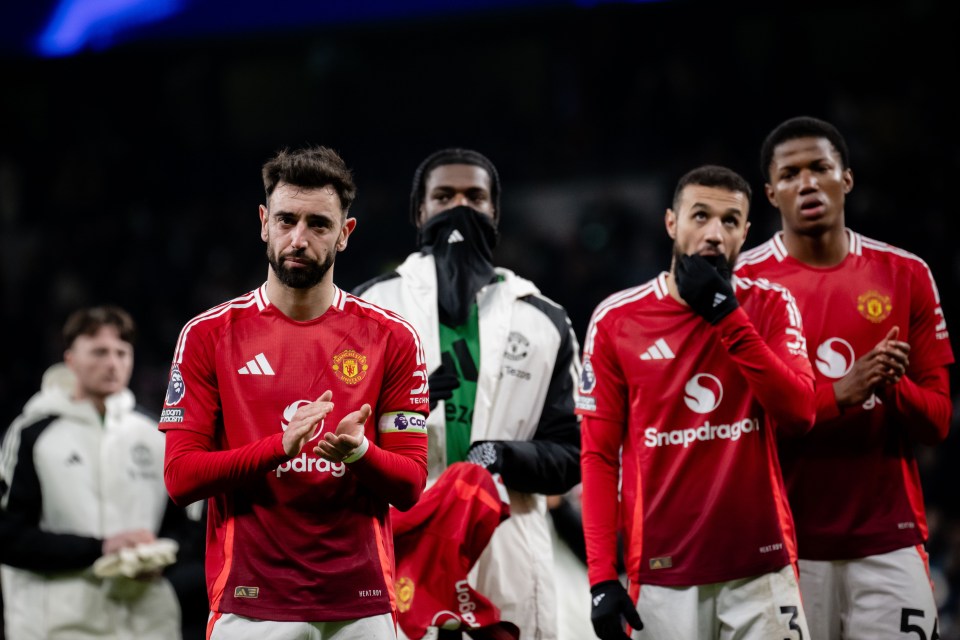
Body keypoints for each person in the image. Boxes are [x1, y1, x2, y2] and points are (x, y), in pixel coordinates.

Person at [160, 145, 430, 640]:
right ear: (264, 222)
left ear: (345, 234)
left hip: (362, 607)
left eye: (318, 224)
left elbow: (411, 485)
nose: (298, 238)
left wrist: (361, 452)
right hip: (248, 607)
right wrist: (276, 449)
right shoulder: (207, 335)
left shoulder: (392, 337)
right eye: (286, 220)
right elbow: (179, 479)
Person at [736, 116, 954, 640]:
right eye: (790, 175)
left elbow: (939, 423)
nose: (807, 183)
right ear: (771, 193)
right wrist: (841, 393)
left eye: (820, 168)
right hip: (784, 545)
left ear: (846, 179)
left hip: (889, 542)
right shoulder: (743, 285)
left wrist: (890, 386)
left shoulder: (905, 274)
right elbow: (744, 426)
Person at [578, 165, 817, 640]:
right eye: (700, 216)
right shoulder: (616, 321)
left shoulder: (770, 305)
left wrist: (726, 315)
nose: (713, 234)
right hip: (664, 576)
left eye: (730, 222)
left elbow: (800, 413)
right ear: (671, 222)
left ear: (746, 234)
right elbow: (599, 457)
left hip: (761, 571)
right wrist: (602, 576)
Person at [354, 148, 581, 640]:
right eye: (444, 196)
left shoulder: (544, 318)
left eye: (475, 197)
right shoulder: (370, 309)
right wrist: (407, 410)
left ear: (495, 212)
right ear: (420, 212)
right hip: (402, 550)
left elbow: (571, 454)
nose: (460, 207)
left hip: (509, 552)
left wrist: (505, 455)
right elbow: (338, 446)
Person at [0, 306, 183, 640]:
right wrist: (100, 548)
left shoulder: (156, 436)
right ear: (70, 360)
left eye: (121, 352)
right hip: (58, 627)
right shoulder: (32, 433)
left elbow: (187, 530)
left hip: (148, 624)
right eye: (99, 352)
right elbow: (8, 537)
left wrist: (163, 557)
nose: (112, 363)